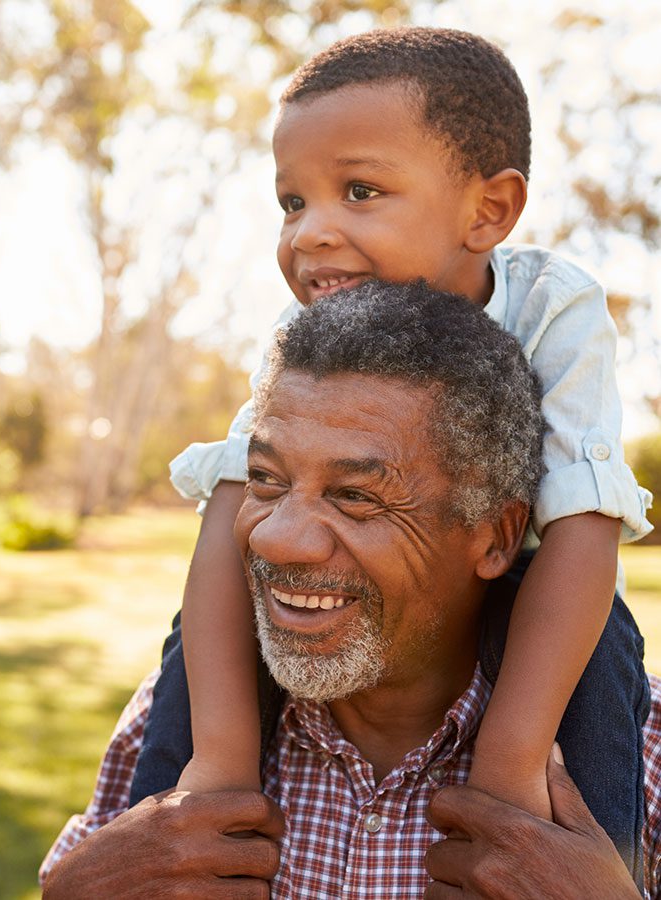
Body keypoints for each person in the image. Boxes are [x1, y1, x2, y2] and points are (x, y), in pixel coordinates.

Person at [128, 26, 654, 881]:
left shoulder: (554, 308)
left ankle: (585, 865)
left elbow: (585, 527)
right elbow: (231, 509)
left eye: (359, 191)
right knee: (200, 632)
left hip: (535, 588)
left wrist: (510, 767)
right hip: (381, 608)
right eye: (292, 202)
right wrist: (219, 757)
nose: (310, 235)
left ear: (488, 210)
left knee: (604, 659)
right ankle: (159, 858)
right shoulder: (304, 337)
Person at [40, 284, 660, 898]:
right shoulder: (173, 719)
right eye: (265, 480)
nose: (279, 540)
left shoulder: (640, 753)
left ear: (496, 537)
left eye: (356, 496)